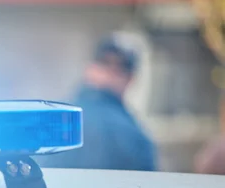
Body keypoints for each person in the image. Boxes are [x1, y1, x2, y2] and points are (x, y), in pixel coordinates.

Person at [37, 32, 157, 171]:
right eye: (105, 63)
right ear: (90, 67)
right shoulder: (135, 133)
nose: (110, 73)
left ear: (130, 78)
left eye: (119, 68)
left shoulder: (54, 118)